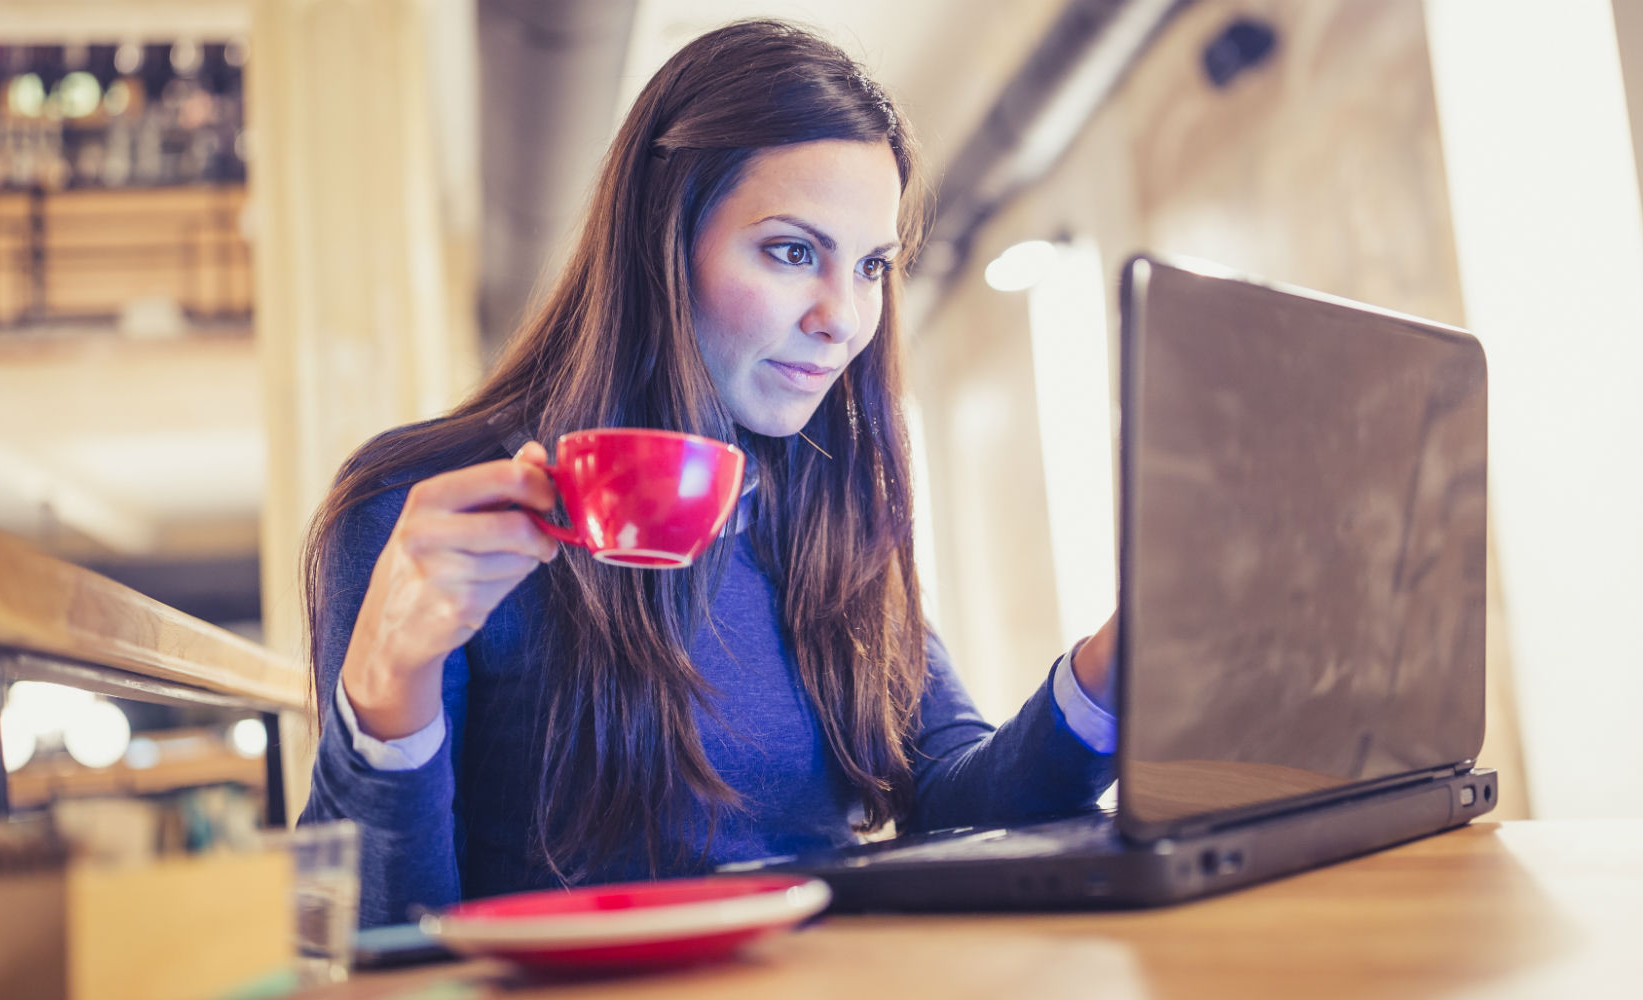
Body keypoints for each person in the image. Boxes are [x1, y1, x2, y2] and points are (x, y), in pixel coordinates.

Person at [298, 19, 1122, 927]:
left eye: (873, 266)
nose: (844, 318)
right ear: (663, 244)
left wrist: (1115, 670)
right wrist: (384, 692)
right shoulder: (421, 513)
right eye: (793, 251)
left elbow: (959, 801)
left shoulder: (825, 502)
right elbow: (368, 942)